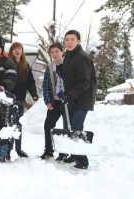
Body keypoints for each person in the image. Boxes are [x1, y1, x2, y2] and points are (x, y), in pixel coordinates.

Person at [59, 30, 97, 169]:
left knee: (76, 128)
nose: (69, 42)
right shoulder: (69, 56)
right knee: (70, 127)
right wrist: (61, 71)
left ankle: (82, 160)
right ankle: (75, 155)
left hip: (82, 98)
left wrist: (70, 95)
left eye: (72, 39)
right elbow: (71, 77)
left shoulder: (81, 57)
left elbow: (84, 82)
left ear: (79, 41)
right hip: (74, 97)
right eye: (67, 39)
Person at [7, 42, 38, 160]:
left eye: (19, 48)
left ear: (22, 51)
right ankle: (8, 150)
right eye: (14, 49)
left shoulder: (26, 65)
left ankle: (18, 149)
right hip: (9, 99)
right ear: (11, 51)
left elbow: (31, 81)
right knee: (10, 125)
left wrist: (34, 94)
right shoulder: (8, 63)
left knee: (18, 125)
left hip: (20, 100)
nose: (17, 51)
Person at [39, 42, 65, 160]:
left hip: (67, 101)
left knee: (67, 126)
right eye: (52, 52)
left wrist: (62, 94)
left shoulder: (68, 65)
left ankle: (64, 152)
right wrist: (47, 100)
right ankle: (48, 151)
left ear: (62, 52)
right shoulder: (50, 67)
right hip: (54, 102)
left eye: (57, 51)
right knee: (48, 125)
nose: (54, 54)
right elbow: (45, 85)